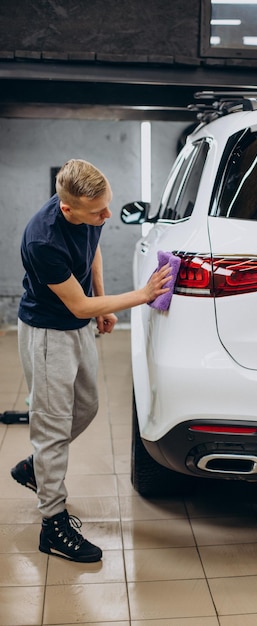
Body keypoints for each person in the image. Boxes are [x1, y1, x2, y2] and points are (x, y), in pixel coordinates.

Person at [10, 159, 171, 563]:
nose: (107, 216)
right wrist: (141, 295)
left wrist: (103, 301)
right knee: (51, 426)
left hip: (77, 324)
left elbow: (92, 249)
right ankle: (52, 523)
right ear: (68, 209)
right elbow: (77, 305)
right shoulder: (41, 240)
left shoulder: (89, 208)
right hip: (48, 333)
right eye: (98, 211)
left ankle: (36, 469)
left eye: (107, 206)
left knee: (86, 407)